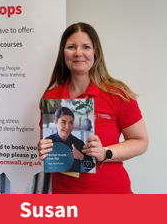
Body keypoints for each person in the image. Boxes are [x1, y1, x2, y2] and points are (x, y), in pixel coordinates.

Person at [37, 22, 149, 194]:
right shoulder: (51, 97)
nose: (78, 53)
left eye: (86, 47)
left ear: (95, 52)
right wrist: (44, 149)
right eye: (71, 47)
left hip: (112, 196)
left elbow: (141, 142)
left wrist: (104, 152)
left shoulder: (117, 94)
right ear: (63, 53)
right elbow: (48, 146)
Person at [45, 106, 95, 173]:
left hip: (74, 181)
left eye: (71, 122)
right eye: (63, 122)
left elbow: (91, 166)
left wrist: (81, 157)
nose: (67, 127)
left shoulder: (79, 144)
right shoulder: (48, 142)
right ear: (55, 123)